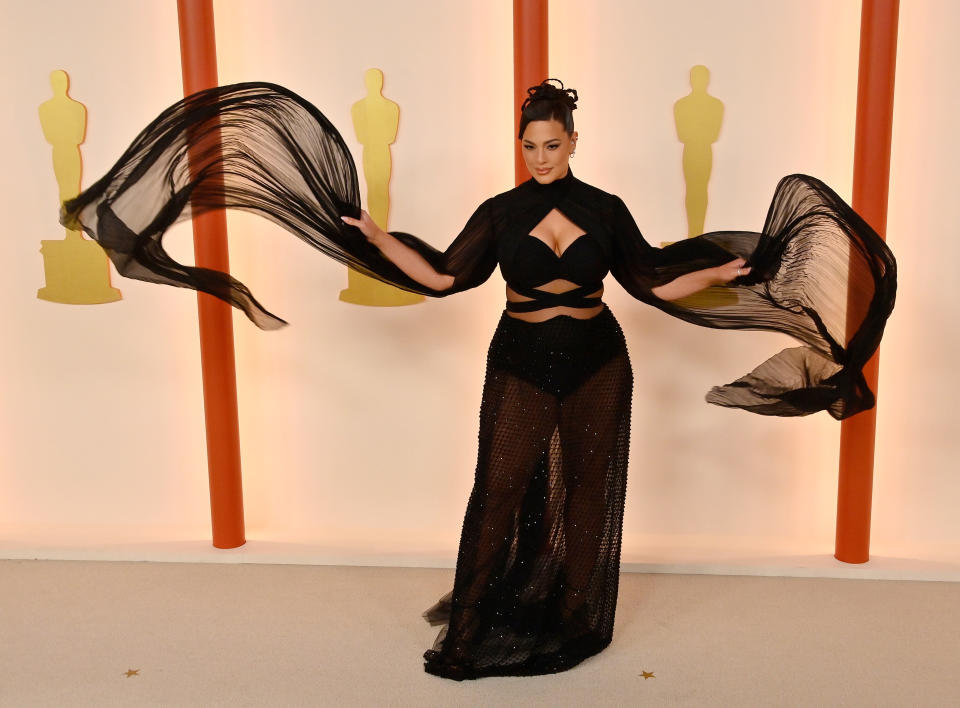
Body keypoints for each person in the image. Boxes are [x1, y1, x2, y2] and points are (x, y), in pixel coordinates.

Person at [60, 79, 896, 680]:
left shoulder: (605, 208)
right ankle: (466, 635)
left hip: (602, 361)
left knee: (588, 493)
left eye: (553, 145)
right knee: (497, 493)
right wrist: (380, 238)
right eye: (530, 146)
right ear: (520, 148)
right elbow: (444, 280)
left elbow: (648, 283)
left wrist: (736, 270)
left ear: (573, 143)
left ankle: (576, 620)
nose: (540, 156)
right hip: (523, 360)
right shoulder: (501, 213)